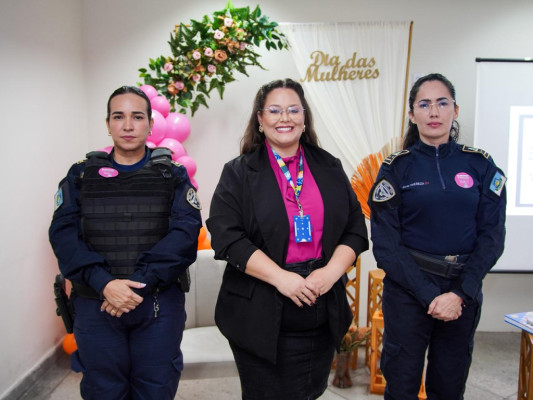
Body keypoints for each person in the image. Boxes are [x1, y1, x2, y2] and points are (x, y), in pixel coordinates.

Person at [206, 78, 369, 400]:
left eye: (294, 110)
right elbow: (227, 237)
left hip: (321, 302)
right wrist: (282, 278)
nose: (285, 118)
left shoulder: (329, 166)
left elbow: (355, 228)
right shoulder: (239, 172)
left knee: (309, 391)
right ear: (260, 119)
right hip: (260, 309)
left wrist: (331, 272)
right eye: (275, 110)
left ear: (305, 118)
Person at [49, 86, 202, 400]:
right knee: (103, 390)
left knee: (156, 389)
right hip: (96, 304)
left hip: (157, 305)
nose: (128, 125)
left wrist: (138, 284)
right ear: (108, 124)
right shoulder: (80, 175)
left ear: (150, 124)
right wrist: (104, 283)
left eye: (137, 117)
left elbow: (185, 235)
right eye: (119, 117)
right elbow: (64, 235)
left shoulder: (172, 175)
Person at [369, 73, 506, 400]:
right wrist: (430, 296)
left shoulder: (481, 165)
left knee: (449, 387)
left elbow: (492, 238)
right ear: (412, 114)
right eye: (424, 104)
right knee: (401, 387)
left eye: (442, 103)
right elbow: (386, 245)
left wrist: (459, 293)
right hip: (409, 291)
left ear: (455, 110)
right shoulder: (395, 168)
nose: (434, 112)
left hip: (462, 292)